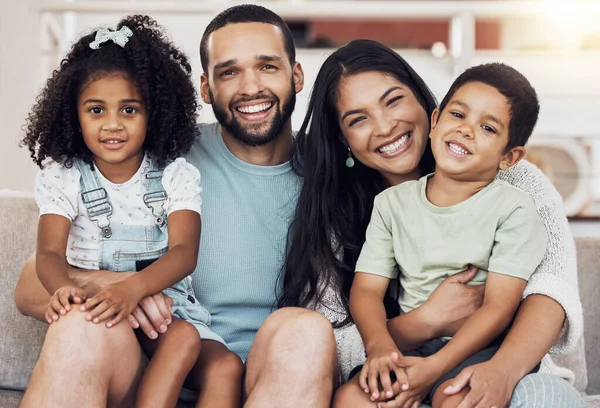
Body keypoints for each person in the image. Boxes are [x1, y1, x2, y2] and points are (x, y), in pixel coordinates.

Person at [14, 6, 336, 408]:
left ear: (297, 75)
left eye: (267, 66)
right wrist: (126, 289)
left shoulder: (333, 178)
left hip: (272, 382)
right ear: (205, 88)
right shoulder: (160, 155)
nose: (251, 87)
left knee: (306, 332)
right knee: (80, 325)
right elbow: (30, 284)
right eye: (229, 72)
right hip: (146, 369)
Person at [282, 39, 584, 408]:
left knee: (463, 397)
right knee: (352, 398)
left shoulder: (515, 188)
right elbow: (337, 342)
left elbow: (550, 292)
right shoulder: (372, 207)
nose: (385, 126)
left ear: (426, 105)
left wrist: (500, 370)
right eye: (358, 119)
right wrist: (429, 321)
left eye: (393, 101)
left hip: (497, 358)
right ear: (342, 139)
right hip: (403, 360)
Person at [19, 15, 243, 408]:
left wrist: (134, 289)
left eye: (128, 110)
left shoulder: (174, 175)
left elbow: (183, 253)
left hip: (161, 300)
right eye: (96, 110)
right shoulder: (65, 177)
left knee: (214, 359)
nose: (112, 125)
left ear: (152, 113)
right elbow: (50, 254)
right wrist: (65, 291)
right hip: (99, 305)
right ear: (74, 114)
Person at [351, 62, 547, 408]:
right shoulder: (391, 204)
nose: (466, 130)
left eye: (488, 127)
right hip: (408, 348)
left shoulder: (514, 209)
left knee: (454, 398)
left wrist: (435, 368)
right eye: (458, 115)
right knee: (352, 399)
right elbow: (367, 289)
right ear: (436, 120)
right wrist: (379, 346)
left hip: (483, 348)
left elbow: (499, 308)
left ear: (509, 157)